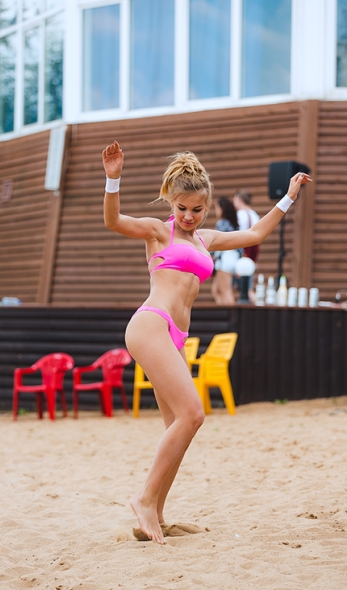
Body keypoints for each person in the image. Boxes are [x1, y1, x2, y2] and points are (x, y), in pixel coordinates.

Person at [102, 140, 310, 544]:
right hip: (151, 324)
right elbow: (113, 221)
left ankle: (158, 516)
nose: (189, 216)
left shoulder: (206, 240)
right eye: (182, 208)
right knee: (194, 414)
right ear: (171, 201)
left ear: (207, 205)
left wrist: (287, 197)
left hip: (175, 337)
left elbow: (254, 232)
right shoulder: (158, 231)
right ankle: (144, 499)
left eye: (197, 209)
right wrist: (113, 180)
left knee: (176, 428)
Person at [211, 197, 241, 305]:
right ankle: (223, 313)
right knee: (216, 289)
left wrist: (211, 255)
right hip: (232, 258)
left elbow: (217, 242)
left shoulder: (222, 223)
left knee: (225, 290)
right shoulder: (234, 224)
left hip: (224, 259)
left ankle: (231, 317)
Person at [234, 190, 261, 303]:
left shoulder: (240, 215)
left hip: (242, 252)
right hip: (253, 253)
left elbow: (237, 235)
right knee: (247, 285)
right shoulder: (255, 215)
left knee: (242, 286)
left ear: (240, 200)